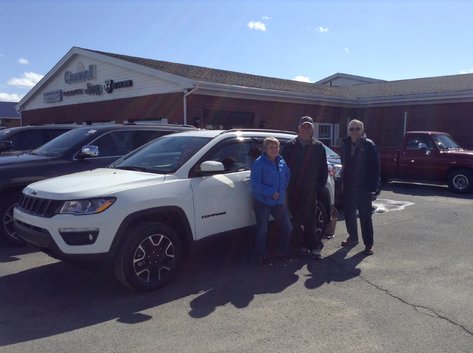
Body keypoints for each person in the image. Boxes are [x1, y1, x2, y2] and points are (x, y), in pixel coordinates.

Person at [281, 116, 328, 259]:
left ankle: (314, 247)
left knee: (310, 218)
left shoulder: (318, 146)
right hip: (293, 188)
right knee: (297, 218)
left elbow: (323, 169)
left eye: (309, 126)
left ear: (312, 128)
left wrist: (318, 186)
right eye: (303, 126)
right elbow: (282, 167)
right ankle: (301, 246)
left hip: (310, 188)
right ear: (299, 128)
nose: (306, 128)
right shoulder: (290, 145)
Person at [340, 119, 380, 255]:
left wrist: (373, 187)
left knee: (365, 216)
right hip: (349, 186)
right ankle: (352, 237)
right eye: (351, 129)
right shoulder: (345, 144)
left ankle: (368, 244)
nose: (354, 131)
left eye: (357, 129)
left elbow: (375, 167)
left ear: (362, 130)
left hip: (364, 187)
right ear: (348, 130)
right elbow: (343, 163)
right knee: (349, 214)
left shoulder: (369, 145)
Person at [251, 137, 293, 266]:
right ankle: (262, 256)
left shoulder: (281, 161)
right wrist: (271, 192)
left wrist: (281, 191)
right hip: (262, 201)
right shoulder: (259, 163)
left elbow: (287, 176)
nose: (274, 150)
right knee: (262, 230)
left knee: (288, 227)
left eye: (276, 147)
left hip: (278, 202)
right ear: (265, 149)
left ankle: (281, 251)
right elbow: (255, 184)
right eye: (271, 147)